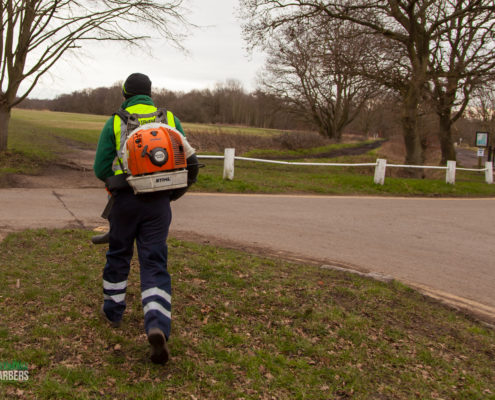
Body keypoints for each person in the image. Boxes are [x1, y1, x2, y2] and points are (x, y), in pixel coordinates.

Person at [93, 72, 198, 364]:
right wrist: (171, 195)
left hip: (125, 200)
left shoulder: (116, 120)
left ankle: (113, 311)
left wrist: (116, 181)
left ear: (125, 94)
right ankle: (156, 324)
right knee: (154, 261)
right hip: (159, 203)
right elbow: (190, 162)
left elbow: (100, 166)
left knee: (119, 254)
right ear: (150, 94)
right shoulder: (169, 119)